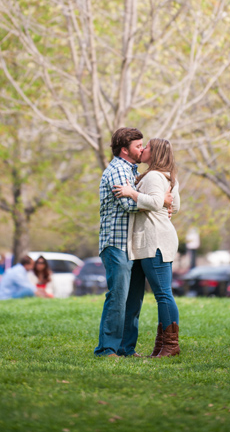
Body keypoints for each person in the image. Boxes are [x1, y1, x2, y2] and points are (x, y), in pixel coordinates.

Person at [95, 127, 173, 358]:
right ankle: (106, 349)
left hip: (132, 245)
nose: (142, 149)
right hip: (116, 243)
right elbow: (129, 205)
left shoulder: (133, 172)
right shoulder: (119, 170)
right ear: (124, 149)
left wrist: (159, 201)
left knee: (133, 299)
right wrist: (160, 202)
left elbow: (147, 200)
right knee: (118, 297)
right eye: (139, 146)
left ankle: (126, 348)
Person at [114, 138, 182, 357]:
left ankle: (171, 345)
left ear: (156, 153)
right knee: (159, 294)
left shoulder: (153, 175)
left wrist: (131, 193)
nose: (143, 150)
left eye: (148, 148)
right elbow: (175, 205)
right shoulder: (168, 176)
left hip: (156, 242)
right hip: (152, 241)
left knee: (163, 294)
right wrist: (163, 204)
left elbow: (155, 203)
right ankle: (161, 346)